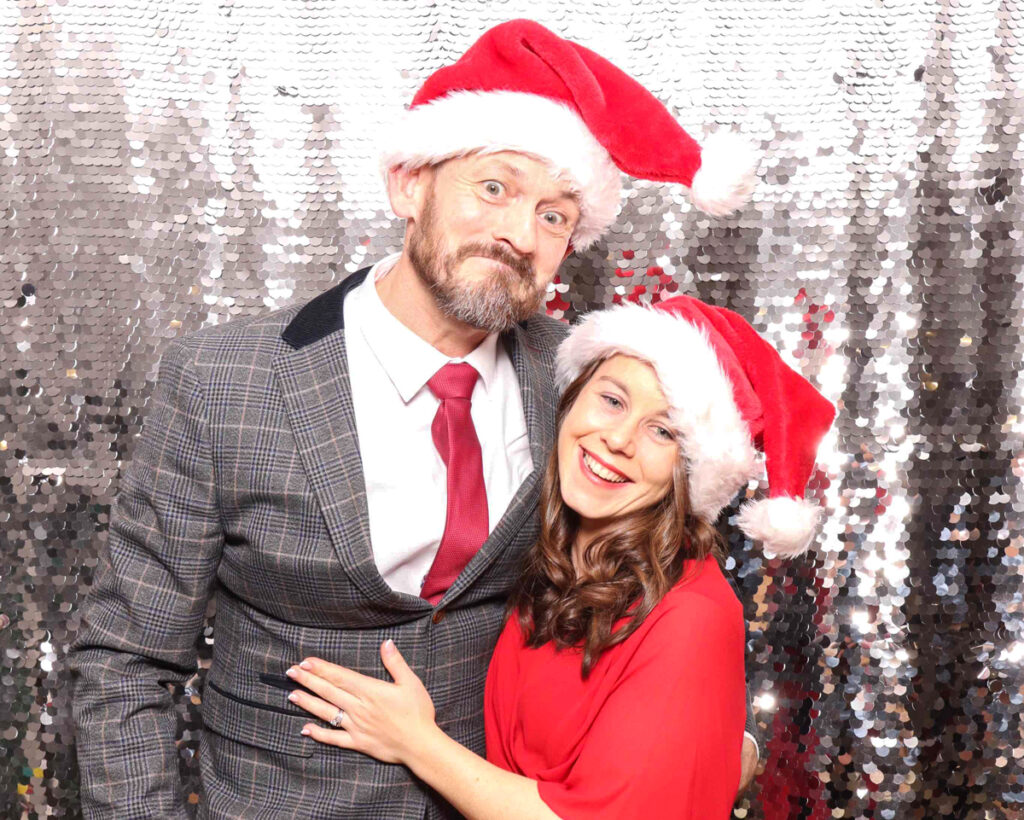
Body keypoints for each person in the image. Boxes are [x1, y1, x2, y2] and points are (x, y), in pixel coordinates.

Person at [69, 19, 766, 818]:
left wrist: (709, 751)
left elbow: (655, 586)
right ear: (409, 186)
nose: (516, 234)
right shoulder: (224, 380)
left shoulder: (579, 385)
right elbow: (126, 660)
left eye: (554, 216)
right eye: (494, 188)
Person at [283, 295, 836, 818]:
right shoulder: (560, 560)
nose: (617, 439)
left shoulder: (691, 615)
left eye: (662, 431)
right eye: (612, 400)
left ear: (690, 471)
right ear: (573, 400)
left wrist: (415, 742)